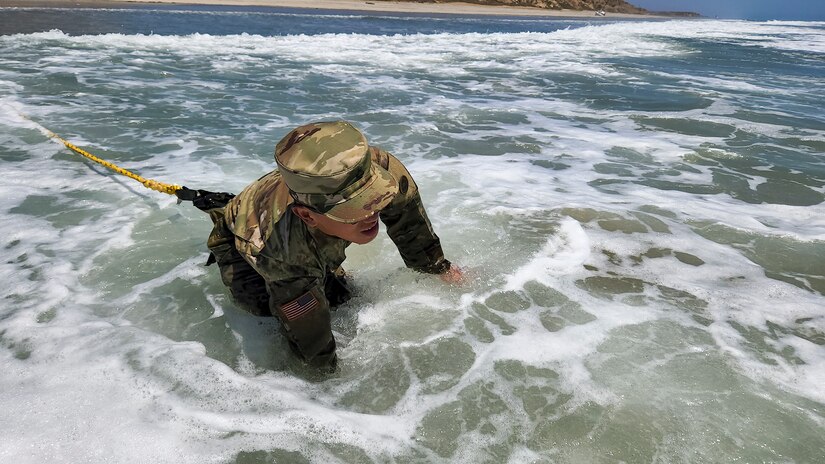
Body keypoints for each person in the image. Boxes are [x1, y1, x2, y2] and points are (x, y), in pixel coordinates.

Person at [201, 120, 461, 370]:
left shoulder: (381, 168)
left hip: (301, 212)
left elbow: (411, 229)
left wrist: (439, 268)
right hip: (247, 239)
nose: (372, 212)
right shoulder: (282, 252)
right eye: (355, 208)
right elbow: (310, 342)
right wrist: (328, 386)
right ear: (308, 215)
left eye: (374, 197)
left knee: (344, 296)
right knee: (265, 311)